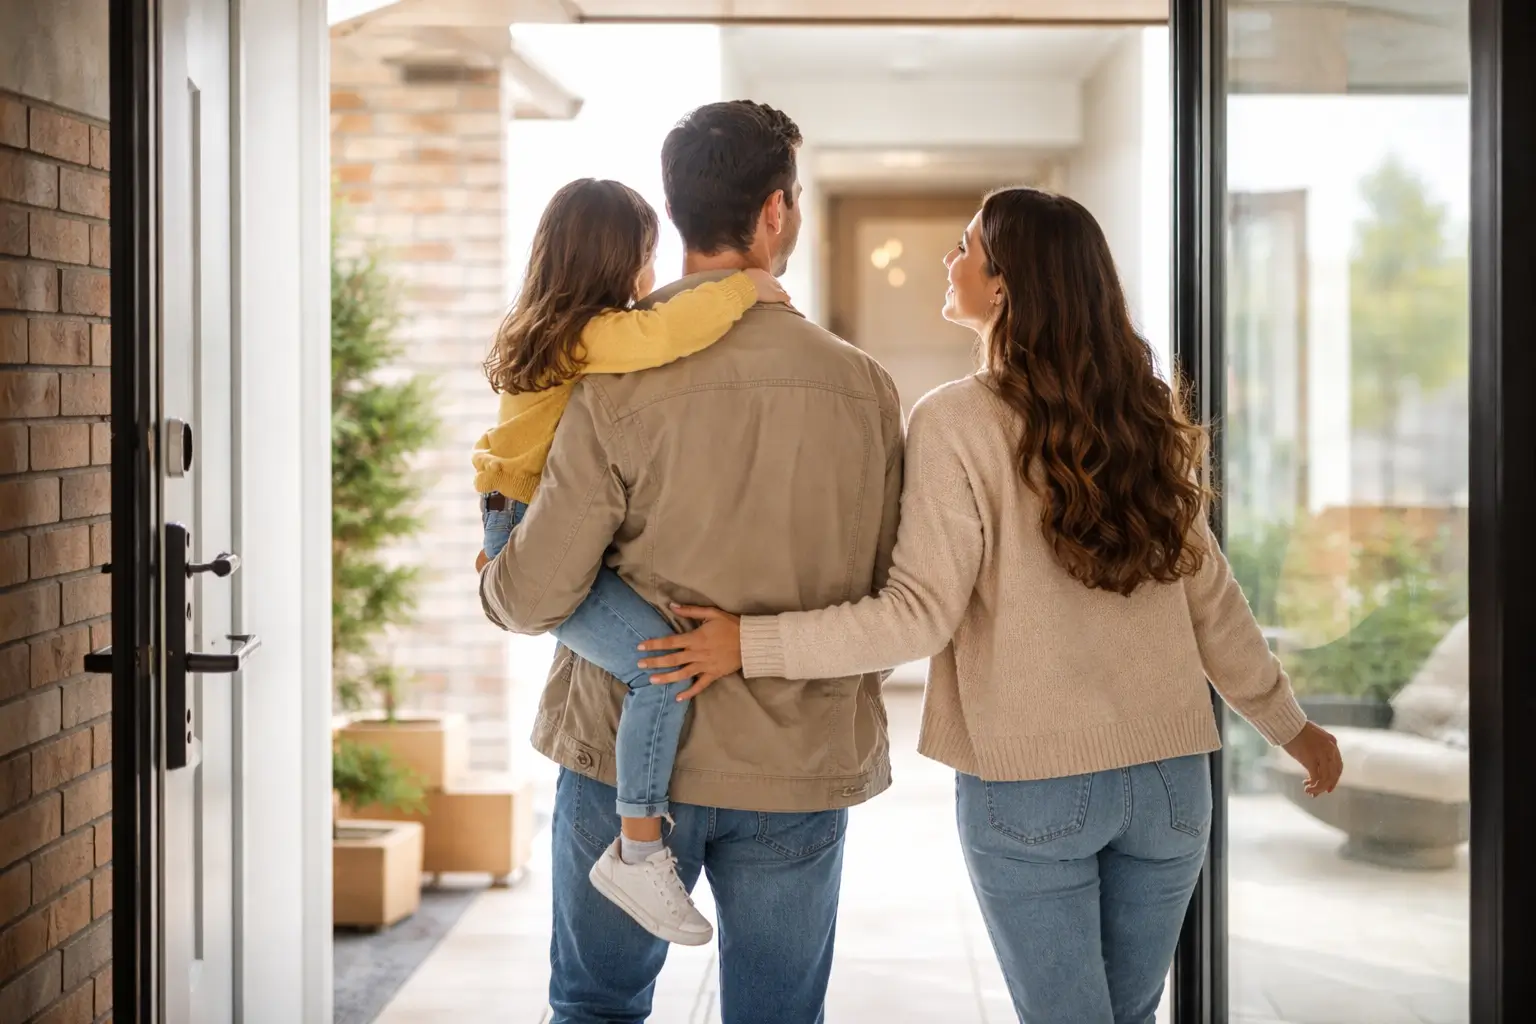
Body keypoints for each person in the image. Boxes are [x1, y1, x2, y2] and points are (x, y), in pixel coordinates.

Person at [637, 187, 1345, 1024]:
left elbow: (916, 616)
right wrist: (1290, 726)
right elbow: (1211, 597)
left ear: (1004, 285)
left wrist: (748, 645)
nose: (950, 258)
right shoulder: (1143, 414)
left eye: (966, 245)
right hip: (1170, 783)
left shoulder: (957, 420)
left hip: (1034, 786)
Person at [478, 101, 904, 1024]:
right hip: (794, 762)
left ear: (676, 216)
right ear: (776, 212)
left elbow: (536, 596)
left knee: (595, 1008)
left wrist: (494, 572)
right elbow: (889, 603)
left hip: (620, 764)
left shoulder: (610, 374)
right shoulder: (865, 390)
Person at [470, 177, 787, 945]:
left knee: (655, 654)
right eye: (646, 256)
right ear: (620, 263)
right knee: (661, 663)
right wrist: (745, 286)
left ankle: (641, 844)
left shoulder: (543, 326)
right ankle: (639, 848)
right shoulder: (588, 334)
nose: (652, 274)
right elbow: (664, 336)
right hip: (525, 527)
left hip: (512, 518)